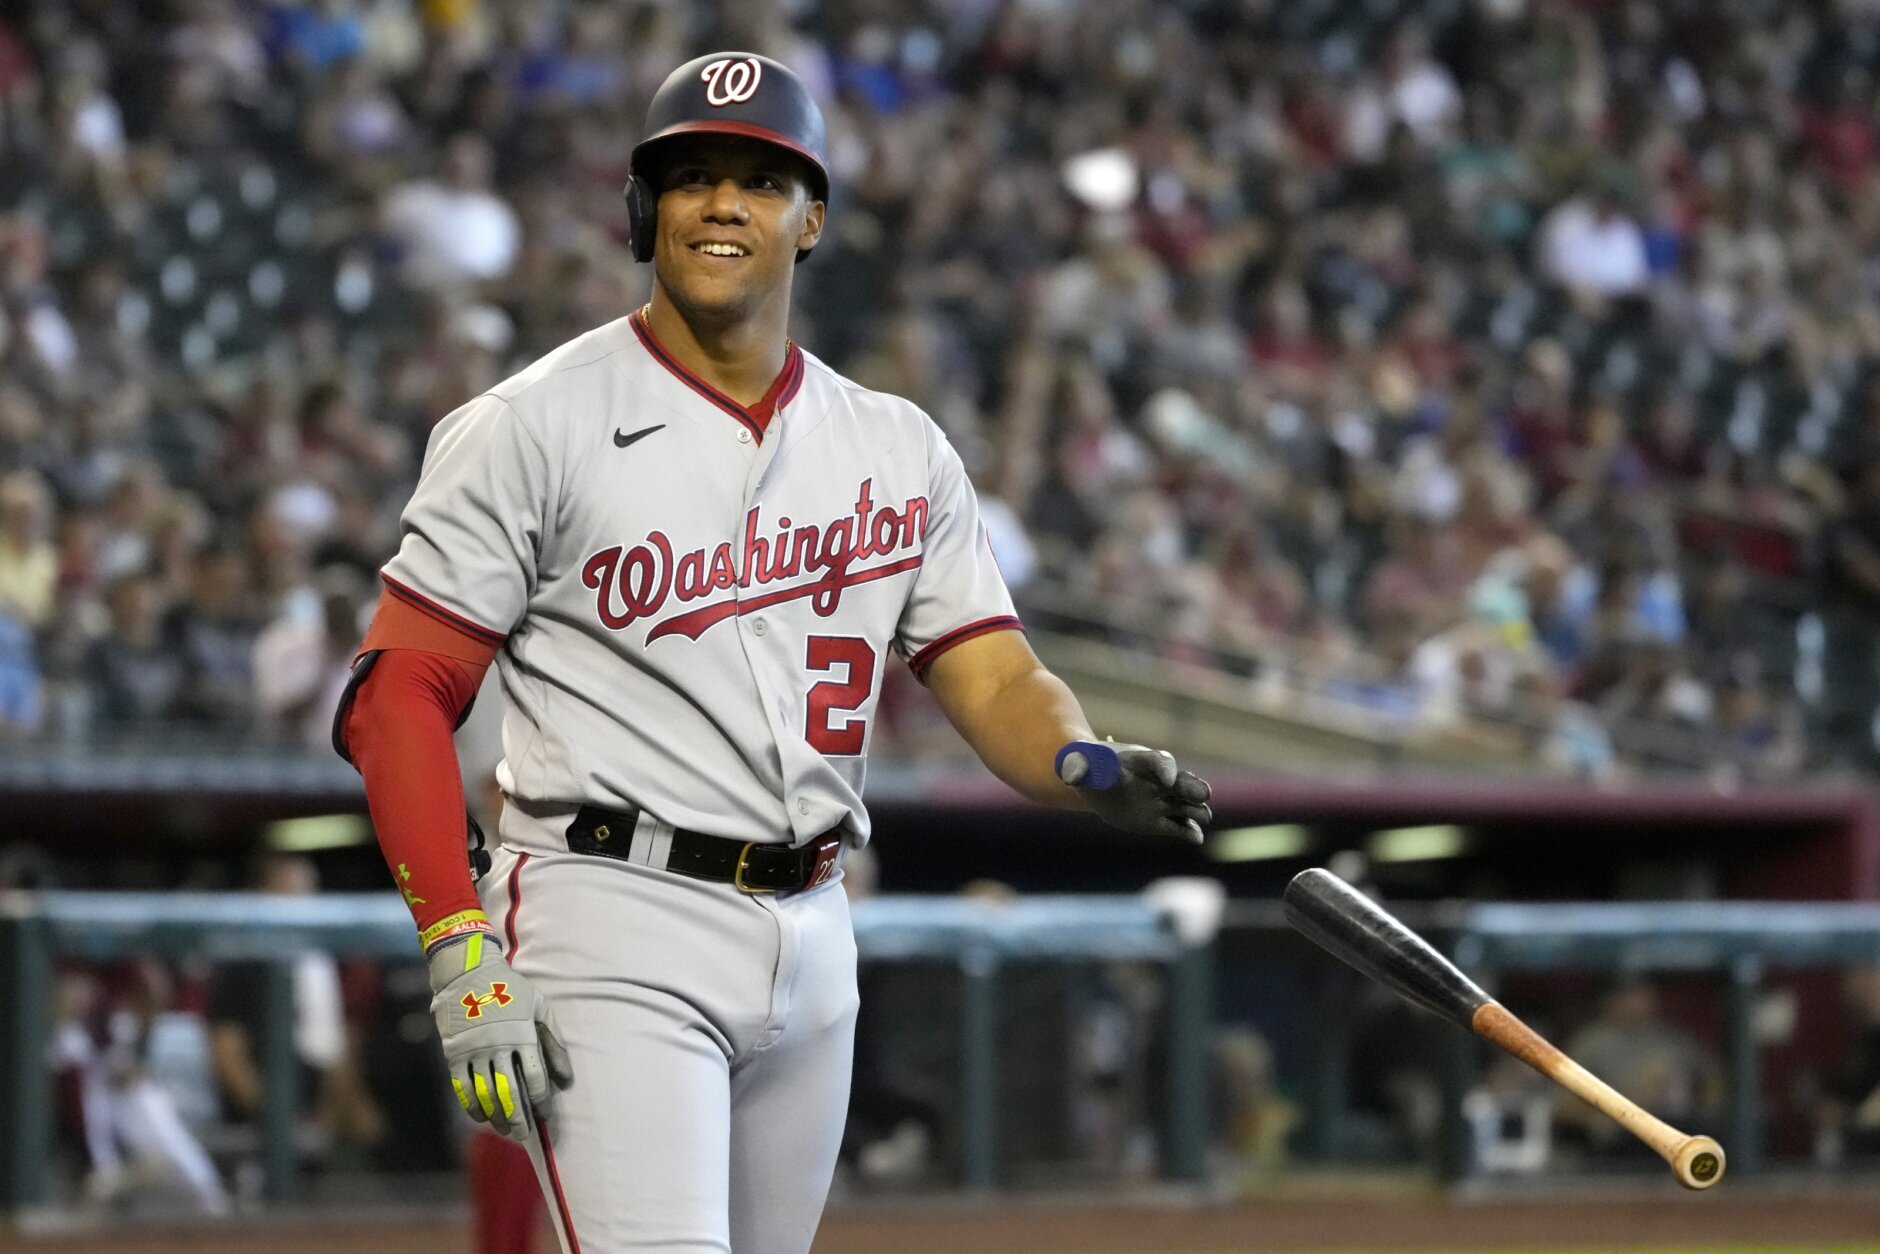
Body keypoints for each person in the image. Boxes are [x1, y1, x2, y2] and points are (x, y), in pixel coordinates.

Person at [334, 51, 1211, 1254]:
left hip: (813, 931)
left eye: (758, 179)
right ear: (645, 212)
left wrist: (1083, 766)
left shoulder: (893, 444)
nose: (721, 204)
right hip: (611, 914)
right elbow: (399, 699)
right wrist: (457, 944)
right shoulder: (528, 425)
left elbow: (992, 670)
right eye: (689, 177)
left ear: (811, 220)